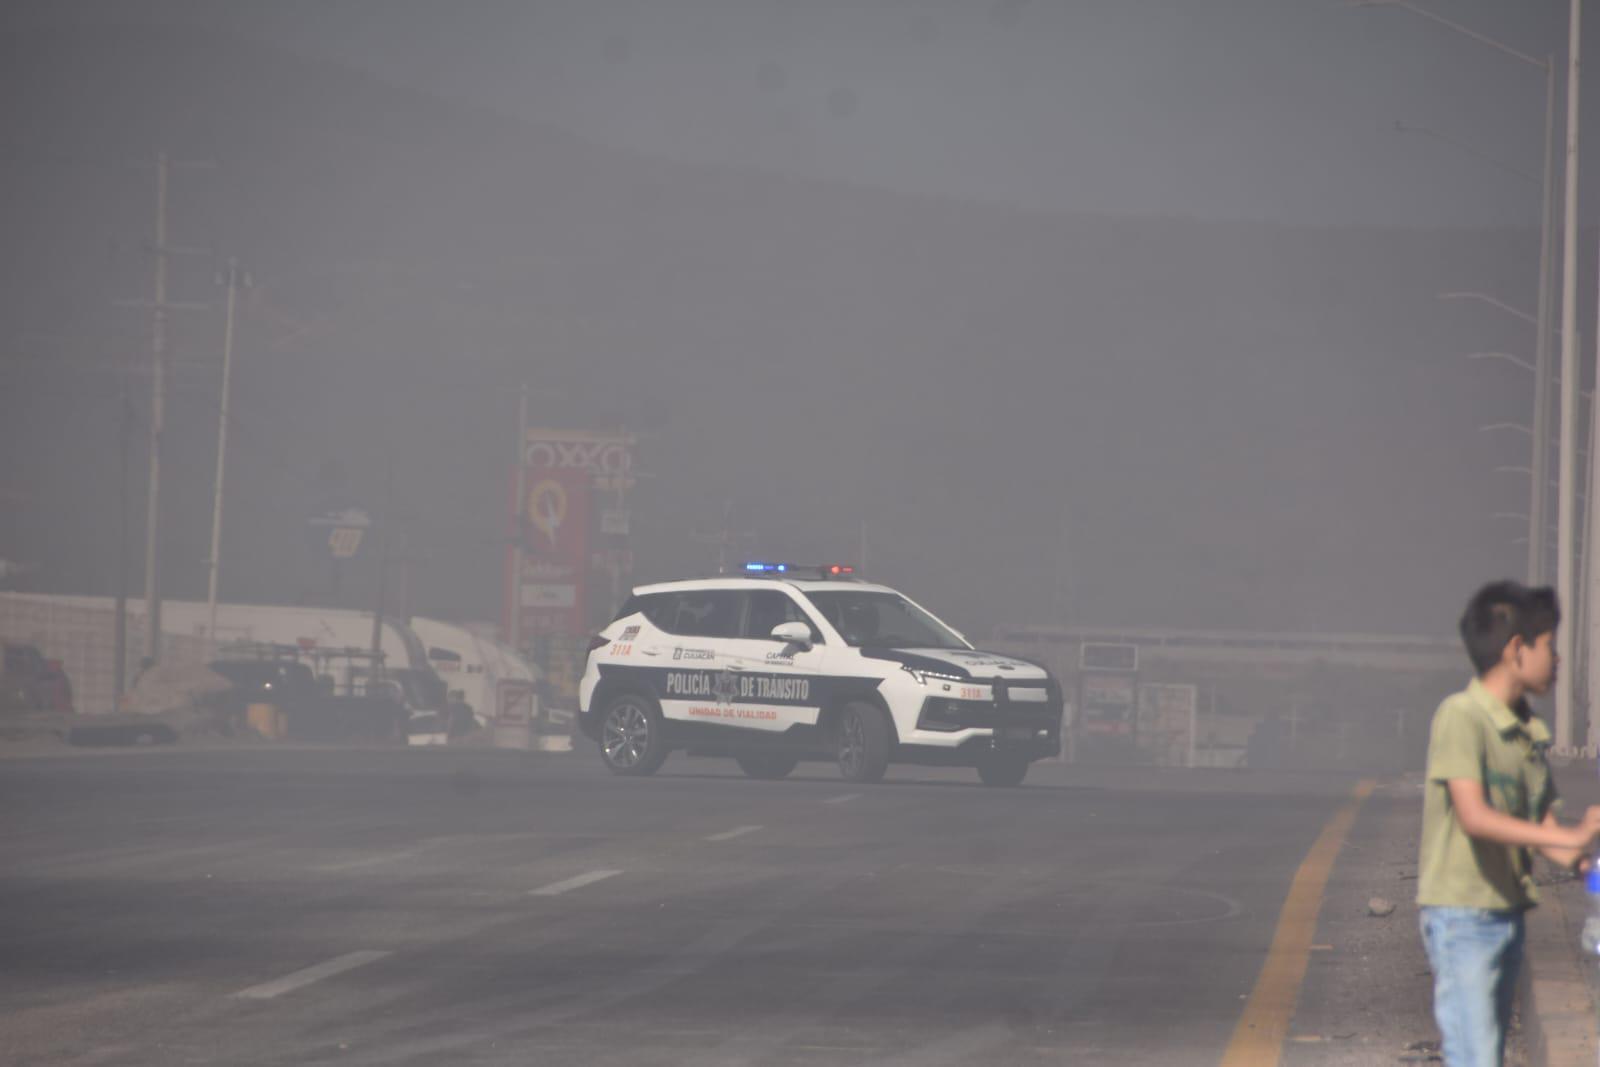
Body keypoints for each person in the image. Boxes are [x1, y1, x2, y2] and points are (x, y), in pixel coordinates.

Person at [1417, 580, 1600, 1067]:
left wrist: (1583, 861)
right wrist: (1571, 834)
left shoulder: (1528, 731)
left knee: (1487, 1054)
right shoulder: (1461, 717)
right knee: (1474, 1056)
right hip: (1461, 915)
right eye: (1550, 646)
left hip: (1506, 913)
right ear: (1517, 649)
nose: (1557, 660)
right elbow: (1474, 817)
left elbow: (1544, 828)